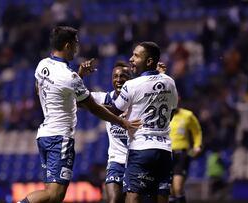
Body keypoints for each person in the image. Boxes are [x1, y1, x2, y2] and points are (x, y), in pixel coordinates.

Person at [18, 26, 141, 203]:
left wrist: (77, 79)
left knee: (49, 194)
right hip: (59, 138)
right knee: (55, 195)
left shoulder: (43, 65)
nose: (78, 48)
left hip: (44, 134)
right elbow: (93, 107)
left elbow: (40, 89)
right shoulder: (70, 77)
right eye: (76, 44)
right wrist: (122, 123)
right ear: (67, 45)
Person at [108, 42, 179, 203]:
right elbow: (171, 112)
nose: (131, 59)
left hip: (140, 149)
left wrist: (91, 105)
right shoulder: (170, 82)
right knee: (160, 198)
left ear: (149, 61)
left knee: (133, 197)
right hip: (164, 150)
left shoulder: (131, 85)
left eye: (136, 56)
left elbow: (114, 111)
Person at [79, 60, 131, 203]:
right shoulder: (105, 98)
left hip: (136, 160)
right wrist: (81, 75)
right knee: (113, 200)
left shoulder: (138, 100)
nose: (119, 80)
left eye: (123, 76)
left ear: (130, 79)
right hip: (116, 161)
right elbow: (78, 100)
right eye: (115, 76)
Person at [157, 62, 203, 203]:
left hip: (181, 154)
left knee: (177, 187)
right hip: (166, 153)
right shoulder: (163, 114)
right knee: (168, 190)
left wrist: (197, 145)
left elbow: (197, 131)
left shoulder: (187, 115)